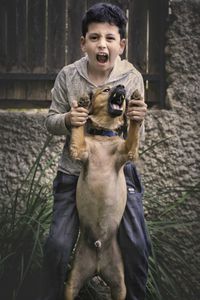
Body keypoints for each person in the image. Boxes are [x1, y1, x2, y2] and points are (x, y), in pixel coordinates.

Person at [42, 3, 151, 300]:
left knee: (138, 245)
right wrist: (66, 120)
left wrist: (139, 120)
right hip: (73, 171)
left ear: (122, 45)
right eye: (94, 37)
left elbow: (136, 133)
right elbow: (50, 121)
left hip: (117, 172)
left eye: (110, 38)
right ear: (83, 43)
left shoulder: (132, 78)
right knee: (57, 246)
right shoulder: (68, 76)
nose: (102, 44)